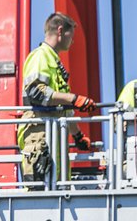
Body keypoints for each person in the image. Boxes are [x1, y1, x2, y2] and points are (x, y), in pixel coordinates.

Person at [19, 13, 98, 181]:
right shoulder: (41, 56)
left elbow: (63, 109)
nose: (73, 41)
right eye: (71, 36)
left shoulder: (53, 60)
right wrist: (74, 99)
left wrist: (77, 136)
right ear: (60, 31)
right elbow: (36, 93)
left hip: (51, 134)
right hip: (40, 133)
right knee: (40, 190)